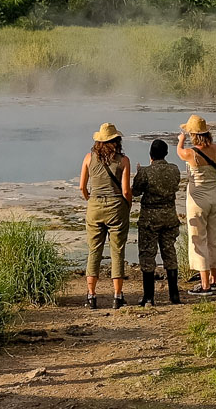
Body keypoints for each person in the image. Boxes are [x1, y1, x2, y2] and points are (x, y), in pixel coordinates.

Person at [79, 122, 132, 309]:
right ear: (117, 140)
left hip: (94, 205)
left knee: (94, 250)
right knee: (117, 250)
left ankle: (91, 296)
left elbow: (82, 187)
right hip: (117, 206)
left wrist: (90, 200)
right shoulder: (123, 161)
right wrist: (128, 205)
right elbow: (126, 190)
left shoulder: (88, 158)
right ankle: (117, 296)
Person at [175, 114, 216, 296]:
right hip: (215, 197)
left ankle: (204, 285)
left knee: (198, 238)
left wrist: (180, 141)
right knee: (214, 239)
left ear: (193, 135)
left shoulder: (190, 153)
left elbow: (179, 152)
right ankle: (214, 280)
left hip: (197, 200)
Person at [132, 139, 183, 307]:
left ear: (150, 155)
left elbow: (136, 192)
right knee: (170, 253)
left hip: (150, 219)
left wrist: (139, 173)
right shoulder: (174, 170)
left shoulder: (146, 172)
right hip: (169, 216)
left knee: (148, 255)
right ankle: (174, 295)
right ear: (166, 153)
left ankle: (148, 296)